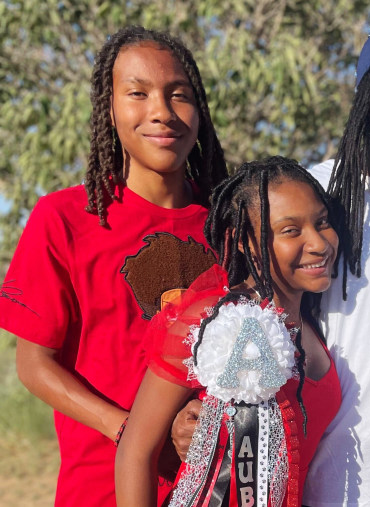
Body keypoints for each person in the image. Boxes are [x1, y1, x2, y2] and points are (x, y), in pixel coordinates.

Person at [172, 9, 370, 505]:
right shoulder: (316, 193)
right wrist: (193, 411)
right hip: (324, 484)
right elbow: (242, 310)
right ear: (368, 89)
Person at [0, 26, 227, 506]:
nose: (161, 112)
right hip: (100, 489)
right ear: (110, 109)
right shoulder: (64, 219)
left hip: (216, 486)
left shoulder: (230, 225)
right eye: (138, 94)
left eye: (178, 95)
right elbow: (34, 365)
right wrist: (132, 431)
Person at [115, 157, 342, 506]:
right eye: (290, 230)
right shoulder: (208, 320)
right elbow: (136, 451)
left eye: (322, 222)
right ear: (242, 241)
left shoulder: (315, 322)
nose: (319, 243)